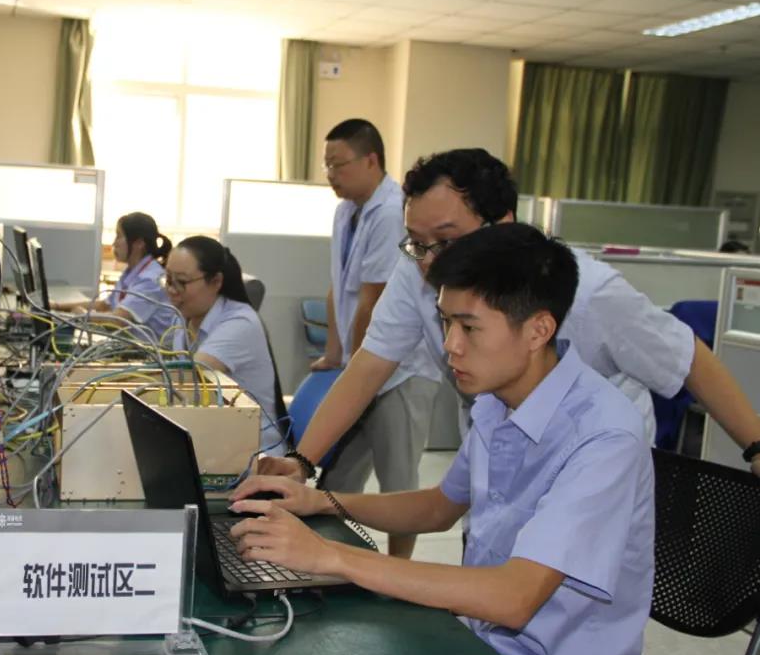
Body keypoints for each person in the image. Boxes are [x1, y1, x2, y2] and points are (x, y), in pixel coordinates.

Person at [230, 224, 654, 655]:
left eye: (469, 327)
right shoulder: (498, 403)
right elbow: (438, 506)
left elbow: (514, 598)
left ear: (539, 330)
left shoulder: (603, 438)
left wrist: (331, 555)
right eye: (446, 322)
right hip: (477, 653)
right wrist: (321, 501)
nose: (451, 344)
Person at [261, 148, 760, 480]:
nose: (430, 261)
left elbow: (687, 358)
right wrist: (302, 462)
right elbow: (369, 366)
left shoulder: (589, 292)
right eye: (417, 242)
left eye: (447, 240)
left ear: (502, 224)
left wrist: (756, 449)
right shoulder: (417, 270)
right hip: (496, 450)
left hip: (593, 465)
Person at [314, 119, 441, 559]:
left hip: (401, 371)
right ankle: (321, 559)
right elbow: (339, 284)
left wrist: (355, 369)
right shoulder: (346, 210)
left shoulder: (391, 212)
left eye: (339, 164)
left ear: (371, 160)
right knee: (338, 477)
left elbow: (371, 300)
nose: (331, 174)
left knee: (398, 482)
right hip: (362, 366)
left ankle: (398, 569)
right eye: (327, 165)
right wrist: (334, 354)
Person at [166, 236, 287, 455]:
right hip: (212, 436)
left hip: (255, 452)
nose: (172, 290)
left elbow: (190, 379)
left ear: (216, 281)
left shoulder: (240, 323)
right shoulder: (182, 317)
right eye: (168, 279)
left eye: (181, 282)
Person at [53, 212, 178, 343]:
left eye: (119, 236)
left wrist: (82, 315)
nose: (114, 243)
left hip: (153, 352)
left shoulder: (150, 279)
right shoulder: (132, 272)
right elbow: (104, 305)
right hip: (132, 346)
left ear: (139, 243)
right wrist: (57, 306)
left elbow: (118, 321)